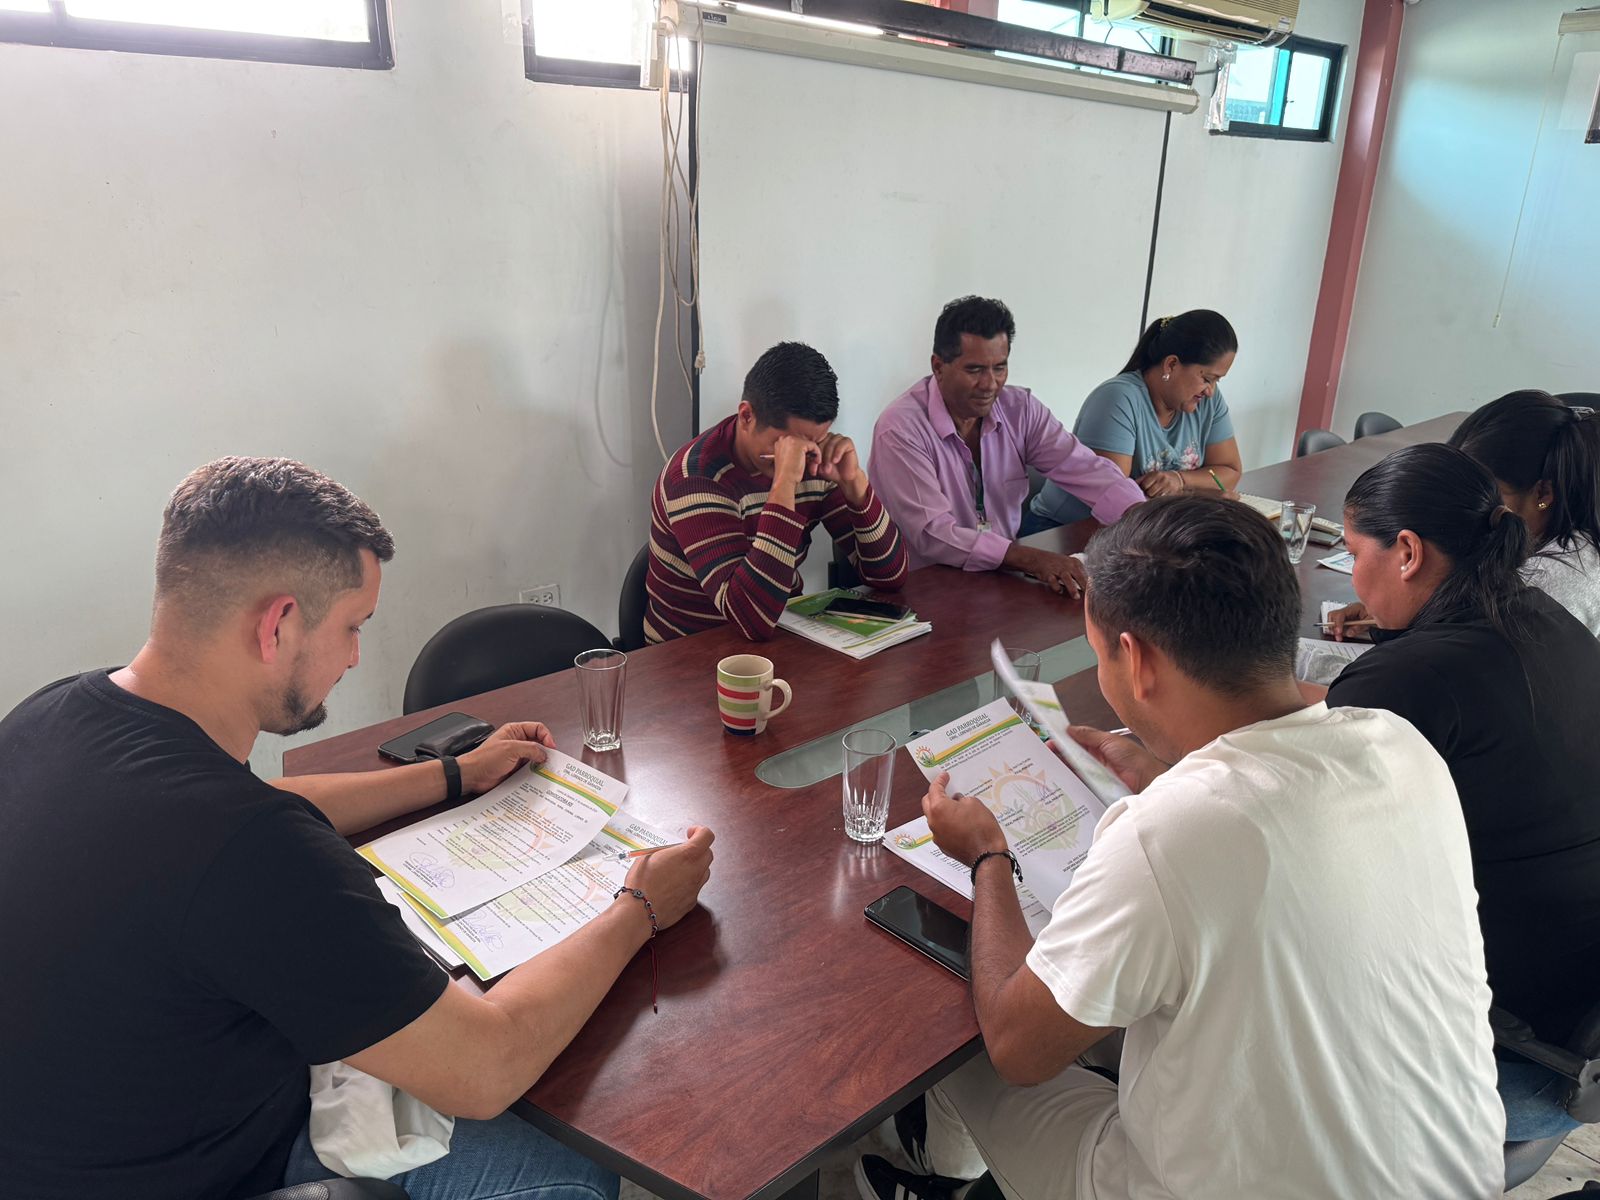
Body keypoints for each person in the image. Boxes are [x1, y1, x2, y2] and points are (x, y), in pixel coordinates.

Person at [0, 457, 716, 1200]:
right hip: (207, 1168)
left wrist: (455, 774)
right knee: (568, 1172)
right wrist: (640, 906)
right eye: (353, 626)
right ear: (278, 624)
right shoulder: (246, 851)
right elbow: (486, 1067)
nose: (354, 656)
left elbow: (261, 799)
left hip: (70, 1139)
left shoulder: (55, 713)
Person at [857, 495, 1502, 1200]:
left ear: (1136, 660)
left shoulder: (1167, 833)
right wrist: (1166, 773)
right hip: (1455, 1178)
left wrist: (988, 856)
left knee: (969, 1053)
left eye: (1099, 654)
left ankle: (940, 1177)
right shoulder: (1400, 745)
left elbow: (1018, 1048)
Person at [1318, 443, 1600, 1142]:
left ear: (1407, 552)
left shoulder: (1408, 677)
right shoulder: (1544, 617)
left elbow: (1311, 851)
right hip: (1578, 1036)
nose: (1355, 574)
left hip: (1502, 1061)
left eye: (1355, 552)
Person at [868, 297, 1144, 599]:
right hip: (924, 590)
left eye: (999, 367)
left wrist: (1148, 522)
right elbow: (932, 533)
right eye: (974, 370)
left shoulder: (1020, 410)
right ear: (938, 366)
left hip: (1000, 580)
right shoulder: (900, 429)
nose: (990, 384)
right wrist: (1029, 559)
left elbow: (1085, 468)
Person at [646, 341, 908, 642]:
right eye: (787, 445)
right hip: (690, 650)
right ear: (747, 416)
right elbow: (749, 618)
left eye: (815, 441)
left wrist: (855, 485)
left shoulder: (814, 460)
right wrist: (784, 485)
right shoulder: (695, 477)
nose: (805, 455)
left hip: (779, 632)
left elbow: (890, 577)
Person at [1028, 310, 1242, 529]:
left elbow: (1230, 471)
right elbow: (1116, 499)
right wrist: (1199, 499)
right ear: (1171, 364)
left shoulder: (1206, 401)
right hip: (1064, 531)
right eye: (1207, 379)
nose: (1210, 391)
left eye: (1217, 381)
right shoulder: (1118, 398)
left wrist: (1179, 480)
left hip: (1147, 528)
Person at [1449, 389, 1600, 634]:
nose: (1464, 508)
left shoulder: (1540, 588)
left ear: (1543, 494)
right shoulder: (1581, 529)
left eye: (1485, 495)